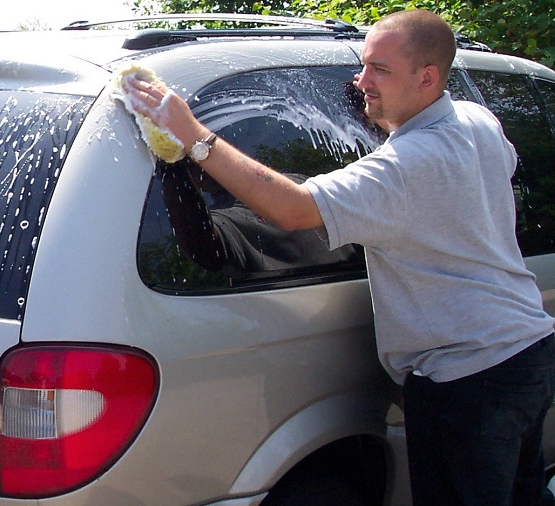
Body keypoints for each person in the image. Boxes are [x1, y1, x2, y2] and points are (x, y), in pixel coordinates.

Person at [124, 9, 555, 506]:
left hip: (468, 380)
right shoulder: (477, 121)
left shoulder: (406, 167)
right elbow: (483, 180)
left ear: (427, 78)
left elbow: (291, 209)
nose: (362, 81)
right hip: (527, 353)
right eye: (365, 65)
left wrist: (194, 134)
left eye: (380, 71)